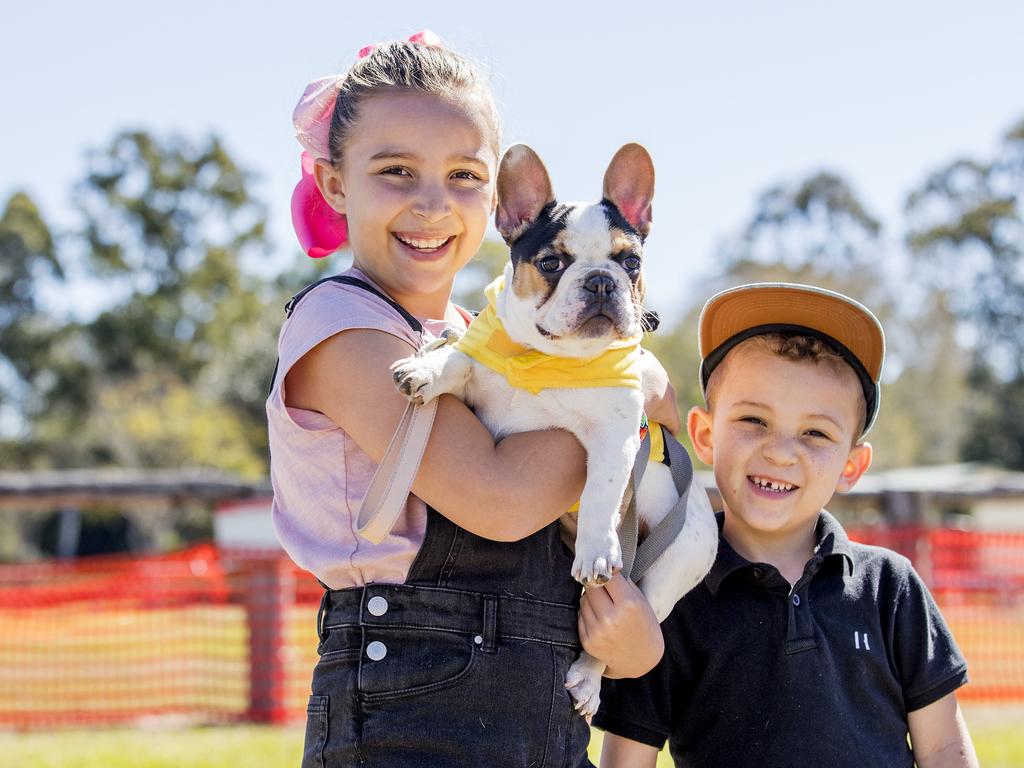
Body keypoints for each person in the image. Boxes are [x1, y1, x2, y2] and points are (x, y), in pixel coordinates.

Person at [267, 33, 672, 768]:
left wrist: (633, 640)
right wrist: (622, 400)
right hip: (411, 706)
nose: (432, 203)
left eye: (462, 175)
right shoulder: (342, 325)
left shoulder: (476, 340)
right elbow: (500, 497)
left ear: (497, 199)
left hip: (543, 703)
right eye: (395, 171)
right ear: (333, 184)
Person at [593, 283, 979, 768]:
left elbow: (945, 748)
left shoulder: (891, 589)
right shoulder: (669, 595)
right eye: (754, 420)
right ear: (705, 436)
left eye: (815, 432)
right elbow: (627, 761)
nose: (780, 451)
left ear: (851, 467)